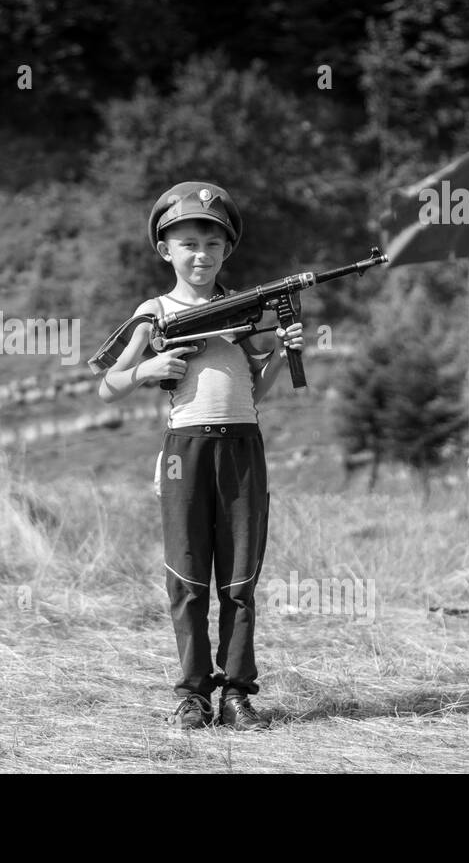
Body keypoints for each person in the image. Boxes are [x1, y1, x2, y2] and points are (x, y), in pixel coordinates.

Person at [94, 182, 303, 731]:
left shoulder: (243, 310)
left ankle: (237, 692)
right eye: (187, 243)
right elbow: (107, 385)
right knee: (187, 579)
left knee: (239, 581)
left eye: (212, 244)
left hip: (242, 447)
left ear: (226, 251)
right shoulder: (154, 313)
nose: (201, 255)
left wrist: (281, 349)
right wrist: (146, 371)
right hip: (185, 448)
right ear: (166, 250)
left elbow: (257, 388)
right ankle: (193, 695)